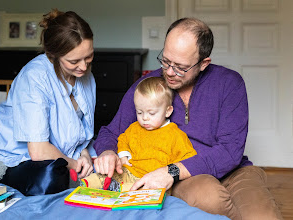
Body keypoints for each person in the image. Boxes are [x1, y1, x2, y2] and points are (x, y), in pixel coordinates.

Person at [93, 18, 282, 219]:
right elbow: (111, 132)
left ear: (203, 63)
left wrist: (171, 171)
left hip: (232, 172)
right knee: (209, 199)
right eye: (165, 61)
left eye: (181, 67)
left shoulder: (229, 84)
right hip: (188, 178)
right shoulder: (148, 87)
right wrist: (107, 152)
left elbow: (230, 150)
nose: (170, 72)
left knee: (262, 215)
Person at [0, 9, 96, 195]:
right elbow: (38, 151)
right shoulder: (34, 77)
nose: (84, 66)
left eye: (89, 57)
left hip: (66, 152)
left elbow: (84, 130)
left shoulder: (85, 76)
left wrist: (84, 154)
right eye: (74, 60)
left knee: (112, 165)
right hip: (20, 156)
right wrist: (76, 165)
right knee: (50, 178)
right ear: (54, 55)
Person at [80, 77, 196, 192]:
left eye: (151, 113)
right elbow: (123, 140)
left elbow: (189, 157)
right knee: (107, 174)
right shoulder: (135, 127)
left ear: (168, 111)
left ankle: (117, 188)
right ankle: (88, 183)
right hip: (130, 170)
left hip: (154, 178)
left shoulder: (175, 134)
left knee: (141, 188)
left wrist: (171, 171)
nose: (145, 118)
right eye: (139, 112)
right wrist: (123, 155)